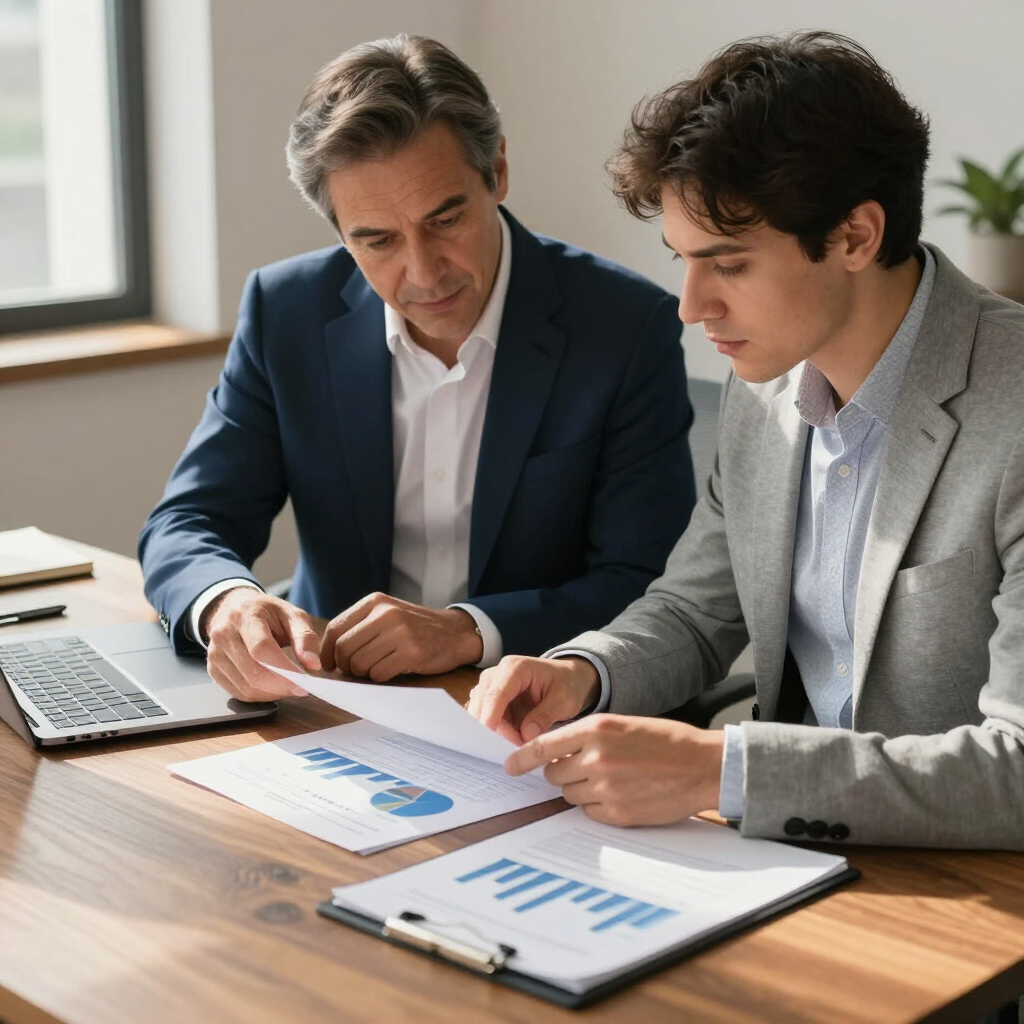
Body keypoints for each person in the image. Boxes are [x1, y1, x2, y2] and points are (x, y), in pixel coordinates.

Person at [468, 31, 1024, 851]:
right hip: (772, 856)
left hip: (957, 894)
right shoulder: (766, 381)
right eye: (683, 261)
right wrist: (582, 671)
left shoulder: (1010, 410)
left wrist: (717, 770)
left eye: (726, 264)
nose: (692, 306)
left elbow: (1016, 770)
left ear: (856, 236)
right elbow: (697, 611)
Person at [139, 34, 696, 703]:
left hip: (533, 711)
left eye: (446, 218)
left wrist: (468, 631)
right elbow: (189, 521)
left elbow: (646, 583)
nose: (424, 272)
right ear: (339, 230)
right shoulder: (285, 312)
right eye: (376, 240)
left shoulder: (626, 328)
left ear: (498, 170)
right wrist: (224, 603)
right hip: (334, 701)